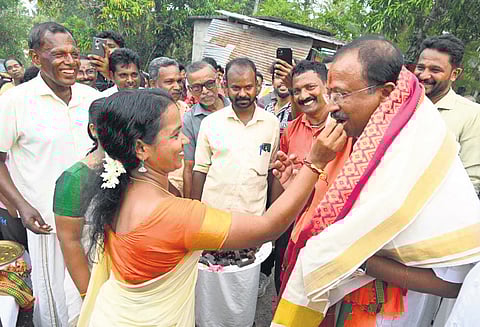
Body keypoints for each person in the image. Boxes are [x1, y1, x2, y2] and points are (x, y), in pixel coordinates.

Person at [76, 88, 346, 326]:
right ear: (140, 148)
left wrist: (291, 185)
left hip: (114, 313)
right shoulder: (171, 214)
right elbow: (268, 228)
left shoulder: (119, 188)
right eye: (174, 135)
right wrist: (315, 163)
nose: (184, 141)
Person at [272, 35, 480, 327]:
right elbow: (338, 214)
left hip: (392, 313)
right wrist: (304, 181)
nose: (331, 106)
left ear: (386, 92)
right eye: (330, 93)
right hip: (347, 302)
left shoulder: (416, 149)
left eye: (341, 94)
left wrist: (357, 257)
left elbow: (454, 282)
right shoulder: (359, 137)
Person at [0, 22, 100, 327]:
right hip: (48, 223)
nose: (70, 61)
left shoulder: (91, 97)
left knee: (94, 298)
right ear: (35, 57)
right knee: (58, 304)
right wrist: (22, 204)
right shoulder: (15, 101)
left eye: (74, 53)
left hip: (96, 218)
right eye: (59, 54)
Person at [191, 58, 280, 326]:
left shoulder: (271, 124)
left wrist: (272, 222)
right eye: (235, 87)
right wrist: (194, 216)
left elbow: (272, 172)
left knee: (243, 292)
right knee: (208, 290)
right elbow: (199, 170)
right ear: (225, 86)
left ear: (258, 86)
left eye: (248, 87)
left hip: (251, 224)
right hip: (212, 222)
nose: (242, 94)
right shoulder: (212, 123)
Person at [53, 98, 105, 326]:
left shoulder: (133, 167)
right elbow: (70, 240)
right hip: (90, 272)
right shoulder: (75, 178)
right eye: (110, 126)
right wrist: (88, 295)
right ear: (94, 130)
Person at [414, 34, 480, 196]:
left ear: (454, 74)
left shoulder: (471, 114)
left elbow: (471, 178)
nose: (424, 75)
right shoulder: (399, 105)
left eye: (435, 70)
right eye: (421, 67)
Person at [182, 61, 229, 198]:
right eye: (197, 88)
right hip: (209, 191)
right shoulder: (189, 120)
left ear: (218, 80)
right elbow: (189, 167)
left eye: (209, 84)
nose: (205, 91)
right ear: (190, 90)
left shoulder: (236, 109)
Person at [148, 56, 189, 195]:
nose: (177, 87)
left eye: (179, 81)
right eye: (169, 82)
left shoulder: (186, 109)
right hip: (155, 189)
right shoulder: (143, 114)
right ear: (153, 83)